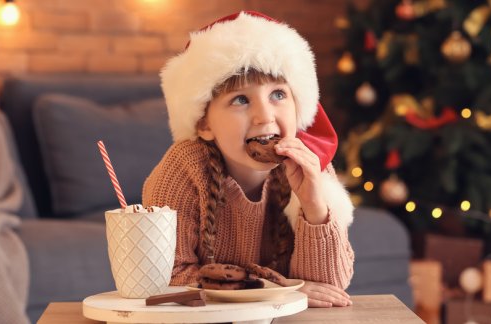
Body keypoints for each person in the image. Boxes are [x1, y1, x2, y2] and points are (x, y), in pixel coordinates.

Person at [143, 11, 355, 307]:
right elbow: (166, 277)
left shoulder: (311, 166)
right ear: (204, 124)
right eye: (240, 100)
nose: (265, 115)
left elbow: (328, 287)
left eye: (279, 94)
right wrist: (275, 291)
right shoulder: (182, 171)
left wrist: (313, 205)